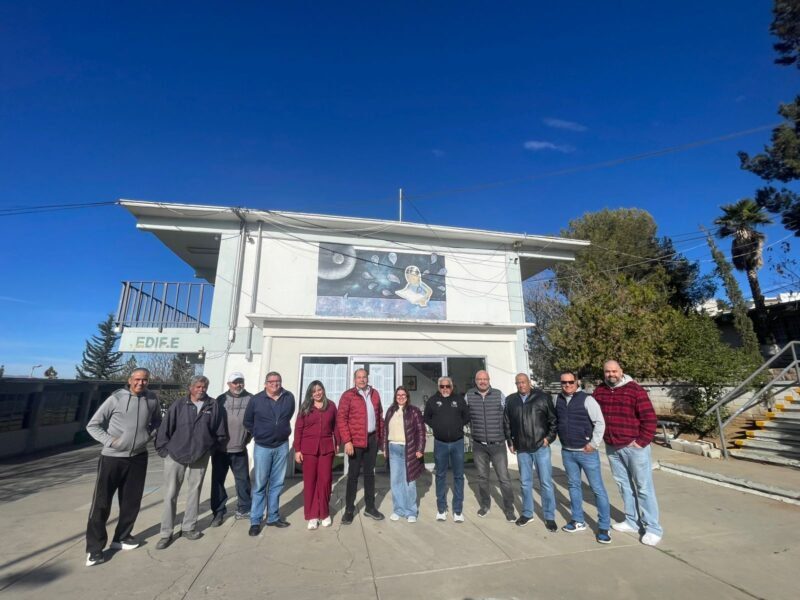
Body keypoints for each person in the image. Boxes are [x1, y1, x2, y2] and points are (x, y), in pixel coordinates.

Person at [84, 368, 161, 566]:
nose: (141, 383)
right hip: (112, 458)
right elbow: (93, 425)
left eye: (145, 380)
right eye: (137, 379)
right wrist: (111, 441)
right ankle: (94, 549)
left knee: (131, 501)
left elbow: (157, 422)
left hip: (138, 457)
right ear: (130, 380)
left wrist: (148, 436)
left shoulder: (152, 399)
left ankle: (122, 537)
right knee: (101, 503)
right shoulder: (116, 398)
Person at [593, 360, 662, 546]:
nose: (611, 374)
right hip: (612, 447)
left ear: (621, 371)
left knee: (643, 488)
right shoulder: (600, 391)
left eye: (614, 371)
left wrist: (641, 442)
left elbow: (650, 419)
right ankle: (632, 521)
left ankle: (653, 528)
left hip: (634, 448)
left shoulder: (635, 390)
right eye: (607, 371)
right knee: (624, 486)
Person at [155, 375, 226, 549]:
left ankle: (188, 527)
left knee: (195, 492)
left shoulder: (213, 405)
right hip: (175, 454)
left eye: (204, 387)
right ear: (191, 388)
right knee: (170, 494)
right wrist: (164, 450)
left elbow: (219, 430)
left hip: (200, 455)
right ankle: (166, 533)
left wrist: (210, 449)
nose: (201, 390)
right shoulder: (179, 404)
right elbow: (165, 427)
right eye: (198, 387)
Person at [555, 371, 612, 544]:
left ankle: (604, 527)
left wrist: (593, 444)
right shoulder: (558, 399)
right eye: (564, 382)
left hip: (586, 452)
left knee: (597, 489)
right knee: (573, 486)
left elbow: (600, 423)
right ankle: (578, 520)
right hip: (567, 451)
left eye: (570, 382)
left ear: (577, 382)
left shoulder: (587, 399)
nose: (567, 385)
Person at [503, 373, 558, 531]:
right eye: (518, 383)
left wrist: (548, 439)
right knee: (525, 483)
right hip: (522, 449)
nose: (521, 385)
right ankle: (527, 513)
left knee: (545, 483)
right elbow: (506, 422)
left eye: (523, 382)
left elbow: (553, 420)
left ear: (529, 382)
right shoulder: (511, 400)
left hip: (541, 447)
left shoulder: (542, 397)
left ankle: (549, 516)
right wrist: (510, 442)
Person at [244, 371, 296, 537]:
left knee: (277, 484)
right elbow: (247, 421)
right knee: (260, 485)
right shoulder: (256, 400)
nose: (275, 384)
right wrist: (259, 433)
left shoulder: (288, 397)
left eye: (278, 381)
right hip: (263, 447)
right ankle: (255, 520)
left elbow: (289, 415)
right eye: (271, 381)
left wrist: (280, 430)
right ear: (266, 383)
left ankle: (273, 517)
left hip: (281, 445)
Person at [465, 370, 516, 522]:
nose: (482, 381)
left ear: (489, 380)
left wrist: (510, 440)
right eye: (479, 379)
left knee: (504, 478)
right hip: (479, 445)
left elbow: (507, 418)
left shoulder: (499, 395)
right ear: (475, 381)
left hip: (498, 445)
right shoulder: (469, 396)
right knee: (482, 478)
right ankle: (485, 505)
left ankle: (509, 509)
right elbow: (463, 415)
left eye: (485, 379)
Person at [337, 368, 385, 523]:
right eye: (359, 377)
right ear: (354, 379)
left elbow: (380, 417)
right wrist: (347, 441)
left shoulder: (375, 394)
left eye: (364, 377)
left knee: (370, 475)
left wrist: (380, 439)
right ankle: (349, 510)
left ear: (368, 378)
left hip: (372, 439)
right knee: (353, 476)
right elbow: (341, 419)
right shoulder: (348, 395)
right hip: (355, 442)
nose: (362, 380)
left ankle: (370, 507)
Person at [294, 380, 339, 530]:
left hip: (326, 449)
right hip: (308, 450)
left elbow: (336, 426)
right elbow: (298, 429)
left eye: (319, 390)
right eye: (314, 391)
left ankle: (324, 513)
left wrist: (337, 442)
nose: (317, 393)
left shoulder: (331, 406)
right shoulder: (305, 407)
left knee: (325, 481)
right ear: (310, 394)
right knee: (310, 482)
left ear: (323, 390)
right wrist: (297, 450)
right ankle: (312, 515)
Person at [210, 372, 253, 527]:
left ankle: (244, 509)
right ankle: (219, 512)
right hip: (220, 450)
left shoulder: (251, 399)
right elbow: (213, 422)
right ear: (229, 384)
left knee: (243, 481)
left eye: (241, 381)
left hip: (239, 449)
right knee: (218, 482)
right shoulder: (220, 399)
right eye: (235, 382)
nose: (238, 385)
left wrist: (246, 439)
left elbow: (254, 422)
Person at [424, 376, 470, 523]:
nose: (445, 389)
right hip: (440, 444)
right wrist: (437, 426)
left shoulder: (459, 400)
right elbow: (427, 417)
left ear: (452, 387)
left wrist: (457, 425)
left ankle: (458, 510)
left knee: (458, 476)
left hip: (457, 443)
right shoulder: (432, 401)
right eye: (442, 386)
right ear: (439, 387)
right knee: (440, 476)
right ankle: (441, 509)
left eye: (447, 386)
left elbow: (466, 416)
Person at [383, 386, 426, 522]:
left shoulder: (414, 411)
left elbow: (421, 431)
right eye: (398, 395)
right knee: (396, 481)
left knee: (409, 481)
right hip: (393, 448)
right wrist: (385, 448)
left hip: (410, 449)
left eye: (403, 395)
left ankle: (411, 512)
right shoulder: (390, 411)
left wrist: (420, 449)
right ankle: (399, 510)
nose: (401, 397)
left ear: (407, 397)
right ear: (395, 397)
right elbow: (385, 431)